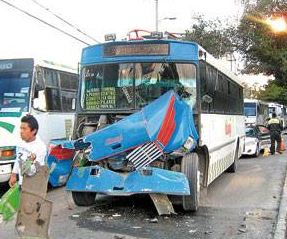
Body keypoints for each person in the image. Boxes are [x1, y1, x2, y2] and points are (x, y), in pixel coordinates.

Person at [9, 115, 47, 187]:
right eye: (21, 128)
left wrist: (29, 161)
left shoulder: (40, 147)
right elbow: (18, 159)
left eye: (24, 129)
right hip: (22, 183)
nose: (21, 131)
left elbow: (32, 171)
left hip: (34, 185)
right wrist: (13, 175)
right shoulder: (20, 142)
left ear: (33, 131)